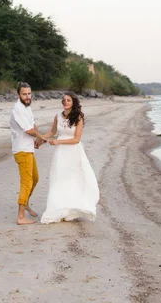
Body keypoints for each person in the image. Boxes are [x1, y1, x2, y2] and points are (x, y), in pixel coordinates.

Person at [39, 92, 99, 224]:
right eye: (64, 100)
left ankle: (70, 210)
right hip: (60, 154)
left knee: (73, 179)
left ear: (73, 103)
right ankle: (59, 210)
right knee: (59, 179)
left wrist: (58, 142)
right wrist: (42, 137)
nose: (65, 102)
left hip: (73, 152)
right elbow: (53, 132)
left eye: (68, 100)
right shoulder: (57, 116)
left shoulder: (78, 117)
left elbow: (77, 139)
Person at [10, 82, 46, 225]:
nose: (27, 96)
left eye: (29, 94)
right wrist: (42, 137)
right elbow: (28, 130)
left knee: (35, 178)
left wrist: (38, 137)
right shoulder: (17, 109)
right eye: (24, 94)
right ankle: (20, 217)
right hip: (21, 149)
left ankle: (25, 204)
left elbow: (33, 125)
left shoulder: (27, 107)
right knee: (27, 182)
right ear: (18, 94)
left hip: (28, 148)